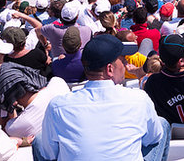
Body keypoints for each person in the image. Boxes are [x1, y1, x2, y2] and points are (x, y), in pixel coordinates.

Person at [37, 34, 169, 161]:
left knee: (39, 140)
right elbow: (153, 138)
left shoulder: (58, 106)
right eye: (123, 60)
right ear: (110, 69)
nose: (126, 64)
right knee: (162, 124)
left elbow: (49, 153)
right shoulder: (139, 99)